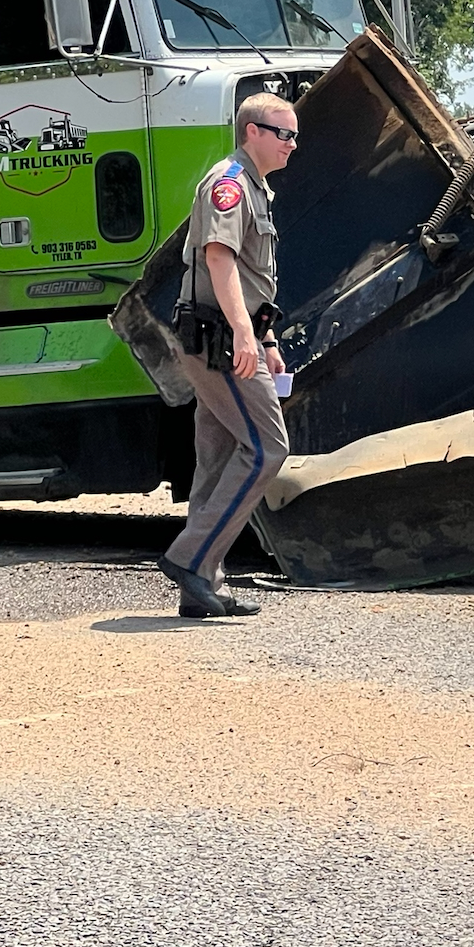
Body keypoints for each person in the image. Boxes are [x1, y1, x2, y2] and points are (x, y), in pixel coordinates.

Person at [158, 91, 298, 619]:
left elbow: (253, 280)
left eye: (294, 135)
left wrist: (265, 339)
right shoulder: (230, 185)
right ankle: (190, 559)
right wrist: (244, 335)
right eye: (283, 134)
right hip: (217, 340)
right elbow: (220, 261)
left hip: (228, 338)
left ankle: (201, 586)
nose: (292, 145)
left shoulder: (257, 189)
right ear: (252, 132)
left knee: (216, 458)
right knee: (266, 448)